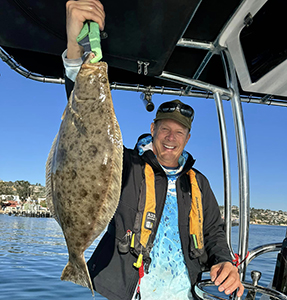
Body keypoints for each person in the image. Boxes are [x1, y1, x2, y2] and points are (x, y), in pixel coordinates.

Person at [63, 1, 244, 299]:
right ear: (153, 130)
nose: (170, 138)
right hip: (128, 292)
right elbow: (86, 132)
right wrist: (75, 48)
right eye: (164, 129)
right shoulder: (126, 166)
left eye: (179, 132)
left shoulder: (199, 183)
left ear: (187, 137)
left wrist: (224, 260)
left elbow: (213, 233)